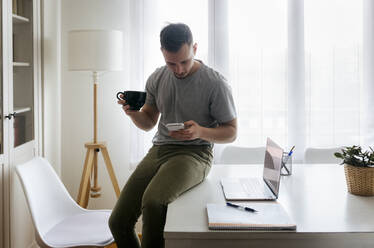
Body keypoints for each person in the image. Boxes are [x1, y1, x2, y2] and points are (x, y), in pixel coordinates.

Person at [109, 23, 237, 248]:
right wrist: (132, 113)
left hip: (196, 154)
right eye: (171, 63)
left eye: (184, 61)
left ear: (195, 48)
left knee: (153, 201)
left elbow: (232, 132)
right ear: (162, 53)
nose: (178, 70)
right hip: (160, 150)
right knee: (118, 221)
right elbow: (148, 122)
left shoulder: (215, 83)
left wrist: (200, 131)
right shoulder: (157, 78)